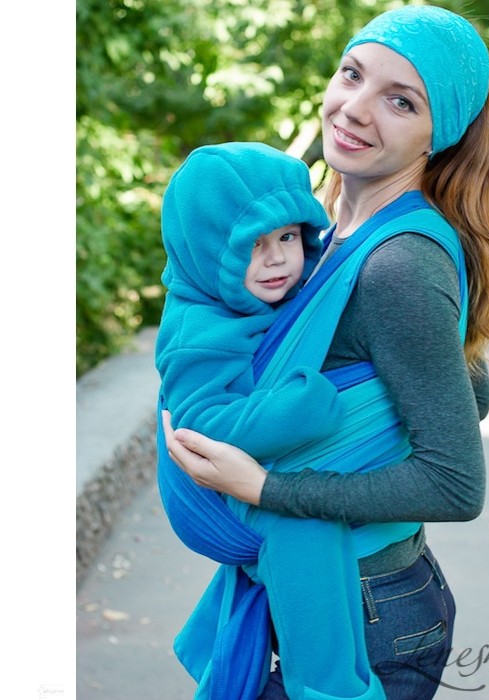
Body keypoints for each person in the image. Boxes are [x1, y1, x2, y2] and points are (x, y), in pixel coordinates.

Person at [163, 4, 489, 699]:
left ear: (439, 132)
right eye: (352, 74)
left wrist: (267, 488)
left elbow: (455, 483)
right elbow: (466, 391)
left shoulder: (397, 264)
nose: (355, 108)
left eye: (400, 100)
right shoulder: (324, 240)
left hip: (364, 613)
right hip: (334, 593)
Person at [156, 141, 393, 700]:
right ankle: (329, 688)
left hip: (230, 476)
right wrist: (303, 406)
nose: (277, 259)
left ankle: (223, 645)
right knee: (302, 523)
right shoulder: (199, 327)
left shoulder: (275, 294)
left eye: (287, 237)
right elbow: (200, 427)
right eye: (252, 245)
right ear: (208, 250)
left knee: (308, 523)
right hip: (204, 495)